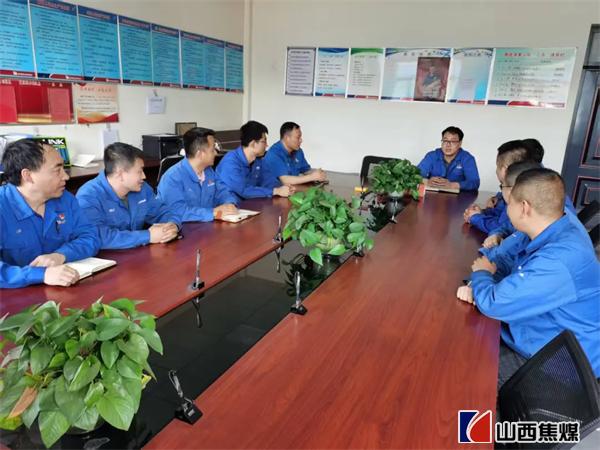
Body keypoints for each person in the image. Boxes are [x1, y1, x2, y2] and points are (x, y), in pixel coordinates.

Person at [456, 168, 600, 387]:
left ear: (524, 207)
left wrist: (482, 276)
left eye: (509, 203)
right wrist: (480, 281)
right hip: (538, 331)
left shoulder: (559, 259)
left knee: (464, 367)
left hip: (560, 364)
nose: (507, 209)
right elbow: (503, 260)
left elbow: (494, 303)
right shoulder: (548, 227)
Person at [0, 139, 99, 288]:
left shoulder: (65, 199)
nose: (66, 176)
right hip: (15, 296)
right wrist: (41, 274)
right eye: (57, 170)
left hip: (64, 287)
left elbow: (90, 237)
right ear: (28, 175)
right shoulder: (3, 206)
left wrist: (61, 255)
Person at [77, 143, 181, 249]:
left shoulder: (142, 188)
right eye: (139, 171)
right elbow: (99, 237)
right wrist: (148, 236)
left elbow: (163, 212)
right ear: (120, 174)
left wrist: (173, 225)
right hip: (105, 257)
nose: (144, 176)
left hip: (137, 253)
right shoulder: (88, 196)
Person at [157, 127, 238, 222]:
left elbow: (222, 192)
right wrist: (212, 213)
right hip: (183, 229)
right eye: (212, 150)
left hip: (207, 225)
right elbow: (177, 211)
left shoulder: (209, 171)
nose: (216, 153)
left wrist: (229, 204)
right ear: (200, 154)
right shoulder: (171, 178)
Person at [216, 121, 295, 201]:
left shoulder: (258, 160)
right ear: (253, 143)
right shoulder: (230, 162)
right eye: (264, 141)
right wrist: (276, 191)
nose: (267, 145)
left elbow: (268, 180)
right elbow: (244, 190)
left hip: (250, 202)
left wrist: (284, 188)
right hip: (229, 205)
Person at [463, 140, 529, 233]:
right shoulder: (522, 184)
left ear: (505, 170)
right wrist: (483, 213)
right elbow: (501, 214)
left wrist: (475, 218)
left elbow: (502, 228)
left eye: (497, 166)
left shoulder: (514, 192)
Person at [262, 122, 327, 188]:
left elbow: (306, 170)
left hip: (292, 189)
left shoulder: (298, 151)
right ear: (287, 138)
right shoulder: (274, 154)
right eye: (298, 137)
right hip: (273, 191)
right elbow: (285, 180)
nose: (301, 140)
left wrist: (317, 174)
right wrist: (311, 177)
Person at [417, 126, 479, 191]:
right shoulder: (432, 156)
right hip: (433, 194)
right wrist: (427, 181)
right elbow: (415, 176)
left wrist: (452, 185)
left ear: (460, 143)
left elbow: (475, 183)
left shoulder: (467, 159)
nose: (448, 145)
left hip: (458, 196)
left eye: (453, 141)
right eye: (445, 140)